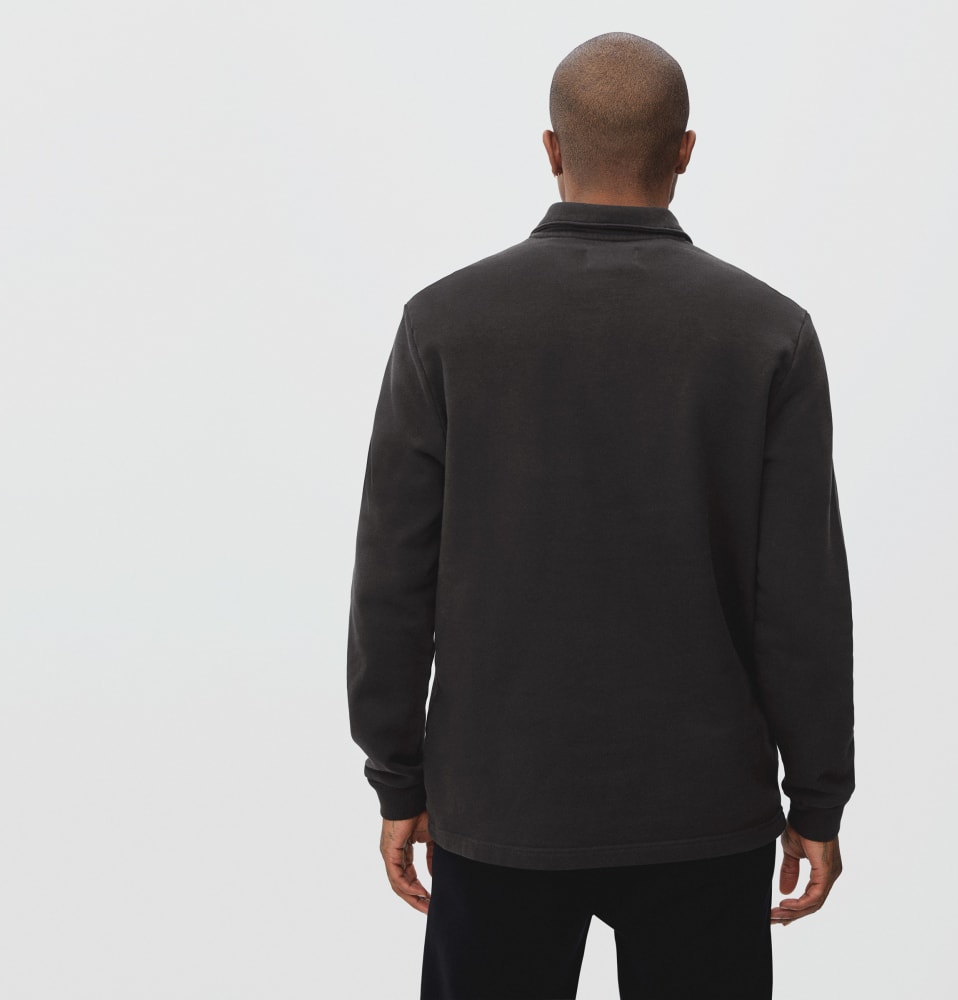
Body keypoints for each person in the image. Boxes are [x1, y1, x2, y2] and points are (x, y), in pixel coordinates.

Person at [347, 30, 854, 1000]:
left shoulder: (443, 324)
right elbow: (801, 597)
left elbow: (392, 578)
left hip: (500, 800)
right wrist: (818, 796)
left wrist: (397, 775)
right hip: (705, 810)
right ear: (685, 151)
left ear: (551, 149)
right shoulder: (768, 333)